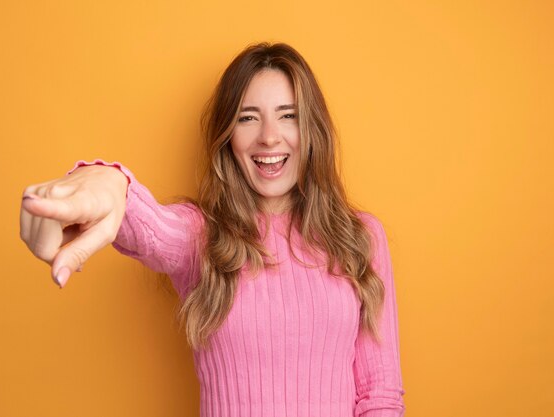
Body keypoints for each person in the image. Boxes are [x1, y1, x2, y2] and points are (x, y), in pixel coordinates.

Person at [20, 42, 406, 417]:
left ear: (313, 130)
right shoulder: (202, 235)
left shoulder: (360, 239)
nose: (269, 136)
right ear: (227, 136)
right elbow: (148, 225)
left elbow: (380, 394)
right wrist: (108, 182)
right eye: (247, 117)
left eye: (288, 115)